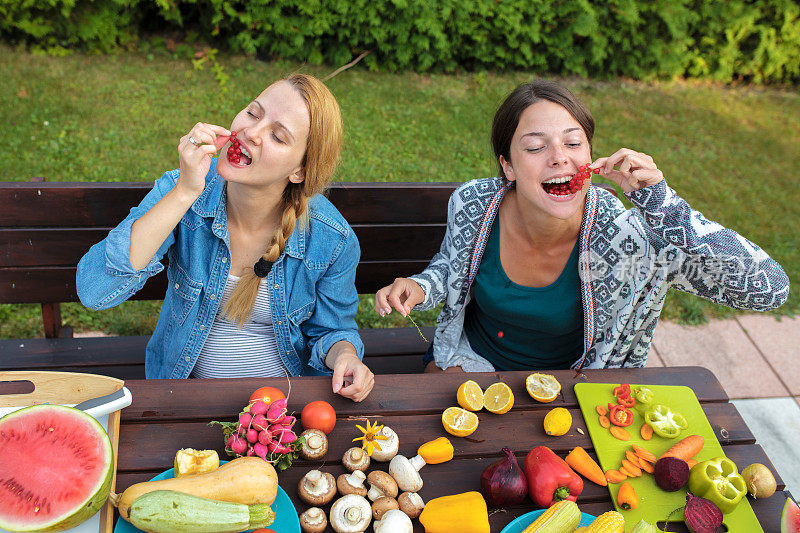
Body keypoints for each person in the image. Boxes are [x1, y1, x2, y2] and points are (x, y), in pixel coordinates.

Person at [375, 79, 789, 372]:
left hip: (577, 392)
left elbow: (769, 289)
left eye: (574, 143)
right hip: (470, 365)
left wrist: (664, 204)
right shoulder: (474, 202)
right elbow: (453, 269)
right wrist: (423, 287)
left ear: (591, 155)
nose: (559, 157)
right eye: (535, 146)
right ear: (508, 165)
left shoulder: (631, 236)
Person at [77, 74, 374, 401]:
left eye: (277, 136)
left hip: (280, 410)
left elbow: (333, 331)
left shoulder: (331, 238)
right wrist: (185, 193)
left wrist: (345, 356)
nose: (251, 133)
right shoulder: (183, 191)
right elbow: (95, 290)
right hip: (186, 395)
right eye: (253, 113)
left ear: (299, 171)